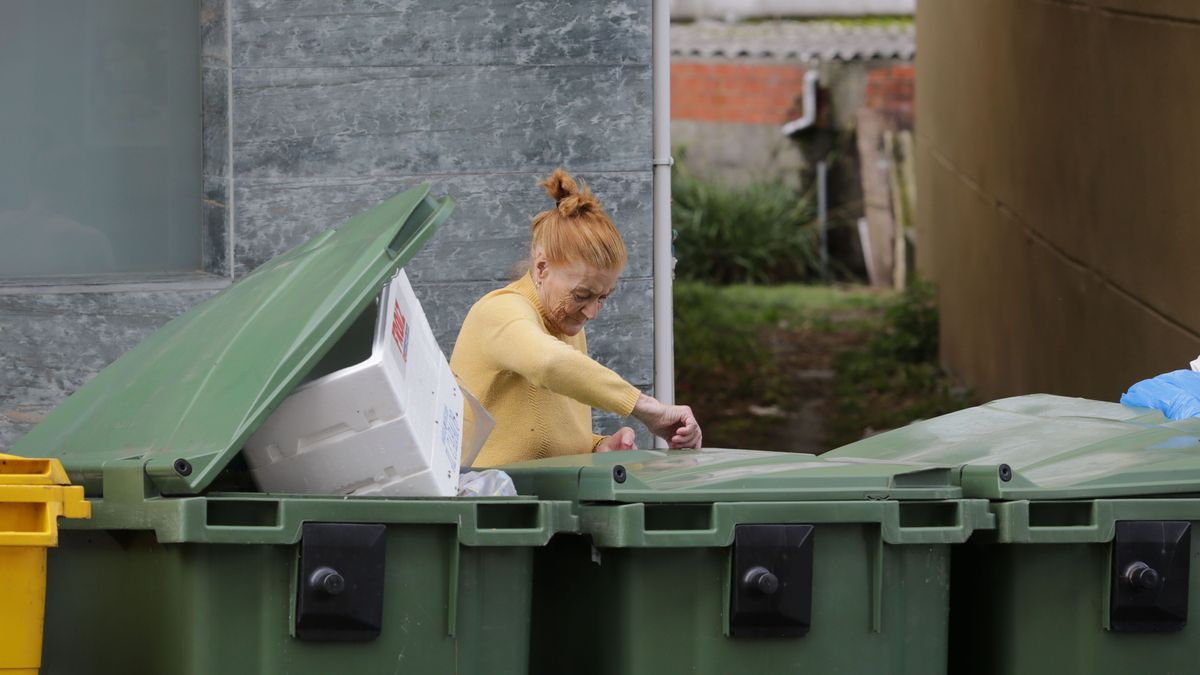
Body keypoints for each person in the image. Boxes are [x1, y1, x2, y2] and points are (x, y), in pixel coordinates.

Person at [451, 168, 703, 466]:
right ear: (542, 267)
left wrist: (597, 446)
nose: (592, 312)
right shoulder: (500, 310)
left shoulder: (564, 323)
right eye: (582, 295)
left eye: (603, 297)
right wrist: (648, 408)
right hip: (485, 503)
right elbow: (548, 364)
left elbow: (547, 433)